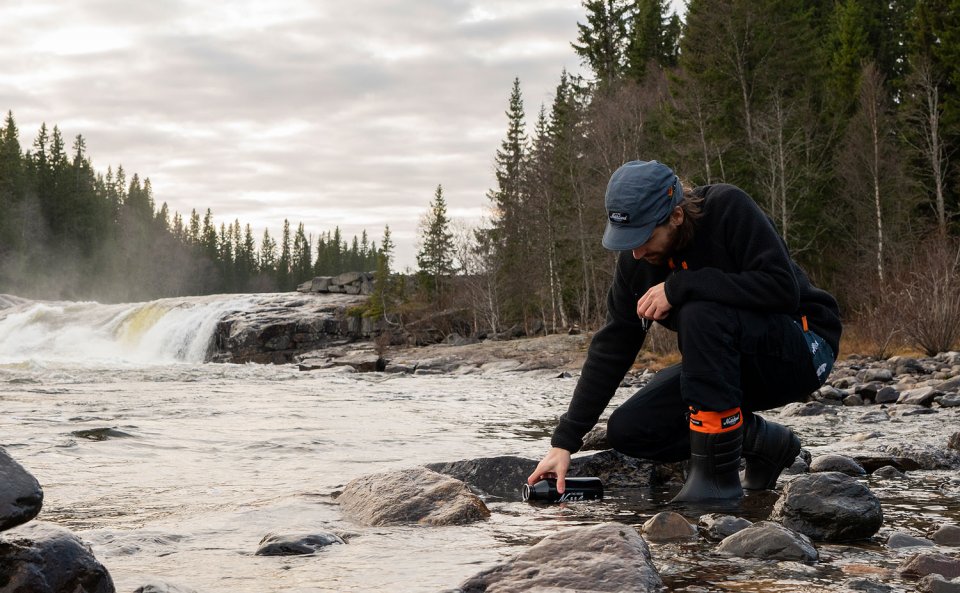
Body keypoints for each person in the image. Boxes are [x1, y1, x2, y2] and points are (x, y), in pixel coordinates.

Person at [527, 160, 842, 502]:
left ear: (676, 216)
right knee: (630, 429)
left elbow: (781, 289)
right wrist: (564, 443)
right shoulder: (637, 262)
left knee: (699, 311)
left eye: (644, 237)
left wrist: (679, 287)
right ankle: (765, 443)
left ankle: (716, 482)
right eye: (626, 240)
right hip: (726, 361)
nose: (635, 251)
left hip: (803, 348)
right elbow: (613, 346)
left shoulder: (727, 208)